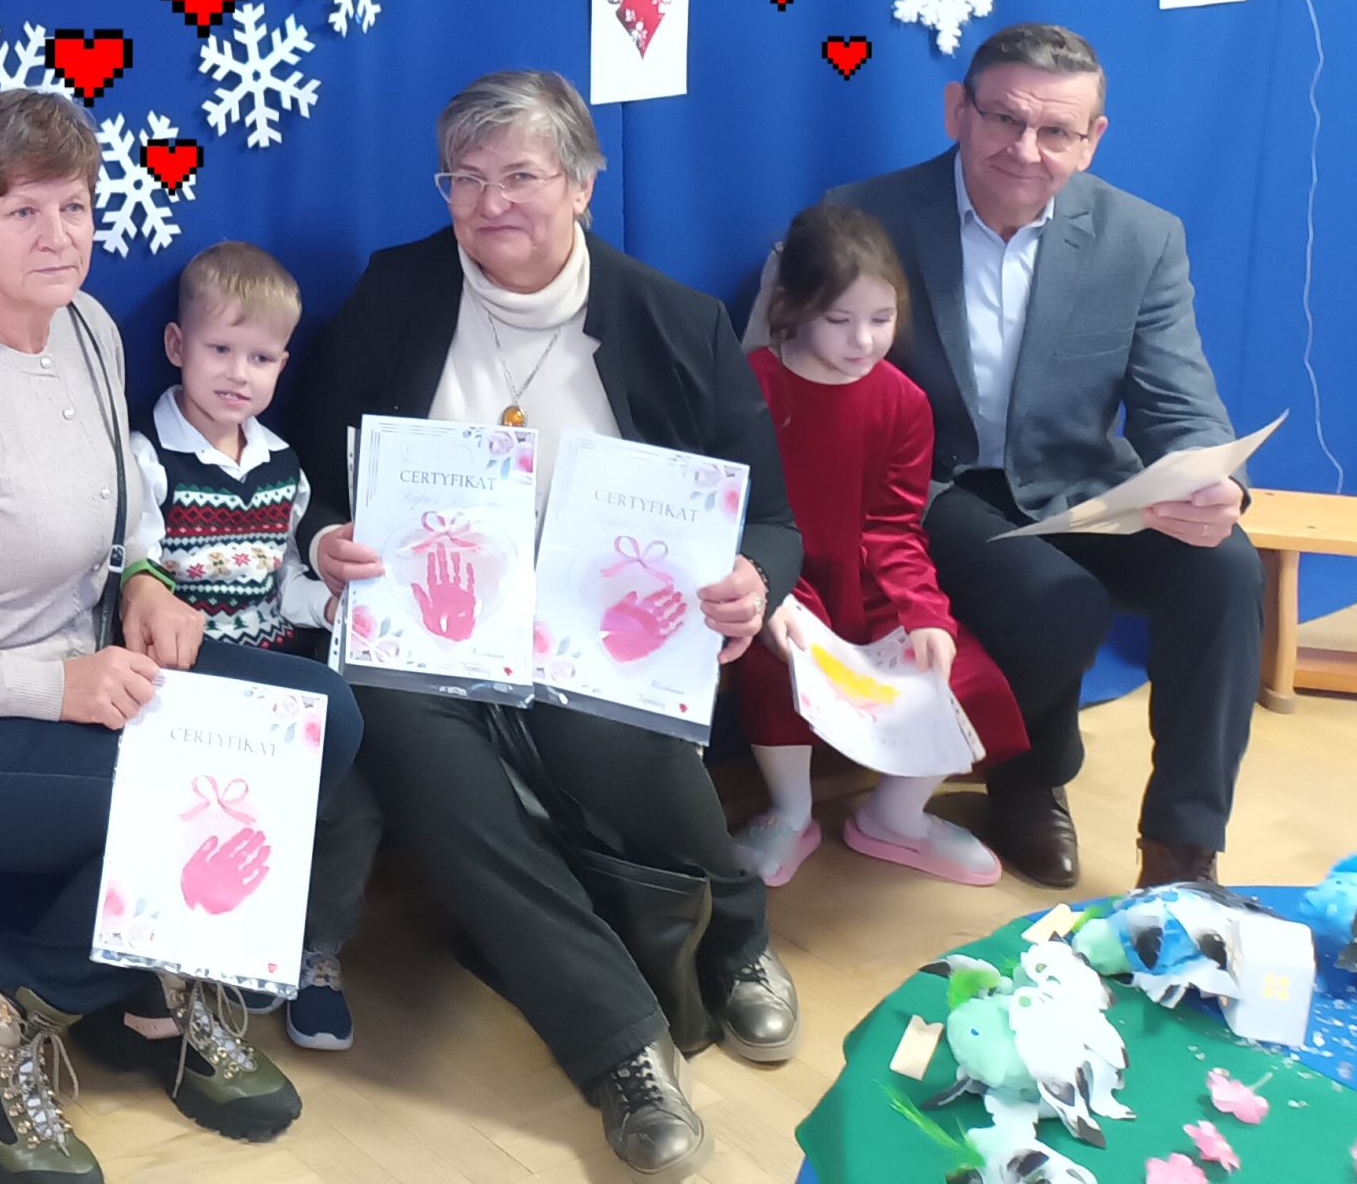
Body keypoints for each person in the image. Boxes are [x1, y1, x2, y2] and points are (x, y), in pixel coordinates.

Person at [0, 90, 363, 1184]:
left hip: (78, 665)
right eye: (23, 212)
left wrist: (143, 576)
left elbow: (118, 512)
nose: (60, 237)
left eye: (76, 207)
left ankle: (150, 998)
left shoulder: (91, 328)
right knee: (194, 798)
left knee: (318, 720)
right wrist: (55, 687)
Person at [288, 69, 804, 1184]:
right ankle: (622, 1050)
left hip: (594, 632)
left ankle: (738, 935)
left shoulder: (676, 321)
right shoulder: (395, 292)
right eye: (464, 179)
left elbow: (769, 519)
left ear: (581, 183)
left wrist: (754, 581)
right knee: (454, 800)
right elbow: (313, 478)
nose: (490, 204)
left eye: (519, 176)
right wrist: (324, 540)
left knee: (622, 750)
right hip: (422, 638)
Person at [744, 23, 1261, 894]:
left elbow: (1179, 397)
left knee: (1227, 568)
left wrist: (1218, 484)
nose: (1026, 149)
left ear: (1092, 139)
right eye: (1005, 120)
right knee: (1055, 601)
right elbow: (770, 379)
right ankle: (1030, 779)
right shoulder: (865, 214)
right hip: (930, 490)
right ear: (959, 110)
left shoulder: (1143, 237)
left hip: (1077, 485)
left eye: (1056, 131)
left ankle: (1182, 853)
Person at [131, 238, 382, 1053]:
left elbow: (283, 585)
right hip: (188, 683)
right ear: (178, 346)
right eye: (220, 350)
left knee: (349, 805)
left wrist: (331, 604)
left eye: (262, 358)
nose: (239, 374)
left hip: (277, 667)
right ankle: (220, 952)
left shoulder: (282, 467)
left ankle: (313, 953)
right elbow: (134, 575)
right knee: (223, 813)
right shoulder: (148, 458)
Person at [732, 203, 1028, 890]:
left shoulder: (904, 402)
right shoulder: (753, 386)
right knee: (778, 665)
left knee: (957, 673)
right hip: (786, 574)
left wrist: (924, 613)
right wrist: (771, 591)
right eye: (839, 319)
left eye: (881, 318)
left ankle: (896, 816)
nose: (863, 340)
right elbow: (733, 506)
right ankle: (790, 812)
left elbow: (896, 526)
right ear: (794, 307)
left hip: (871, 583)